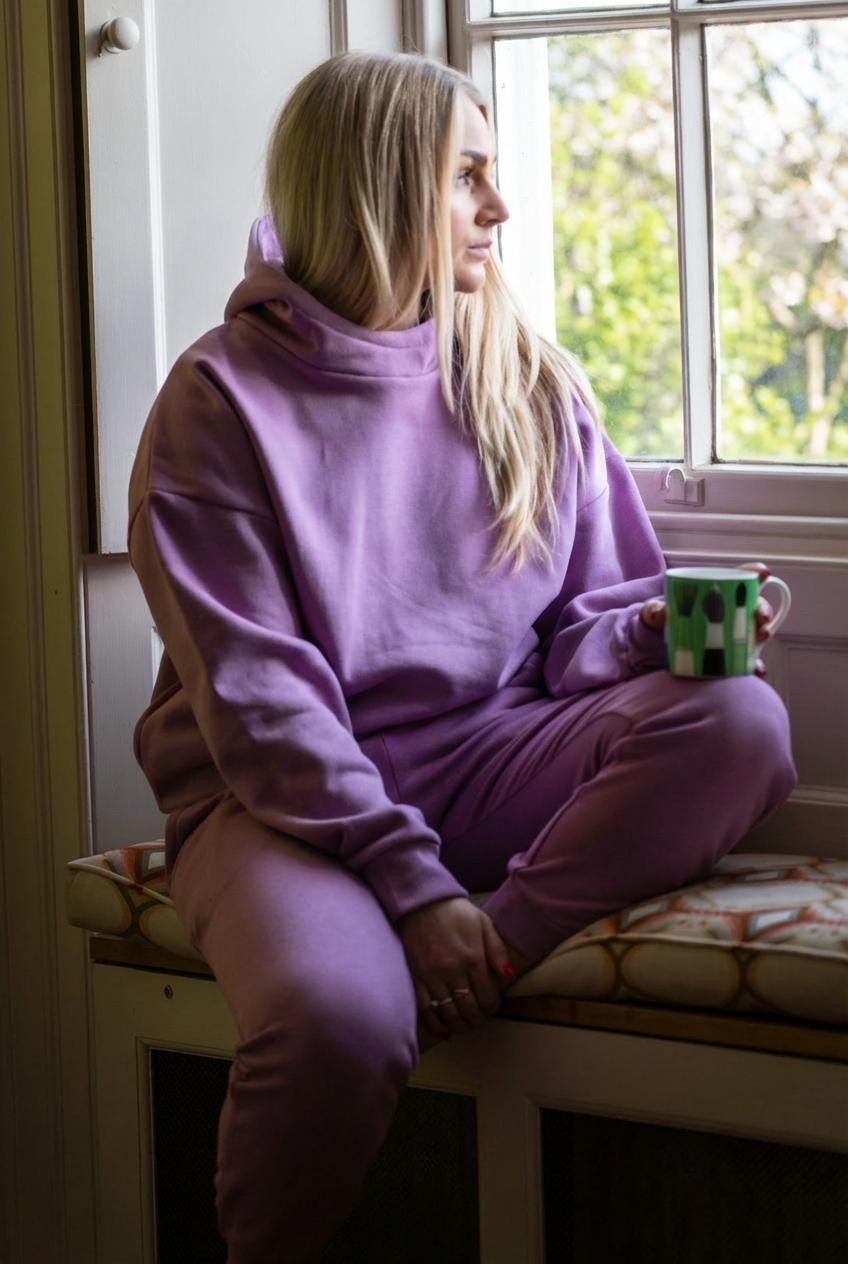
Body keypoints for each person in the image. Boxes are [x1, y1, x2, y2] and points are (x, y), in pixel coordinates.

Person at [128, 50, 796, 1264]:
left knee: (739, 719)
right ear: (380, 187)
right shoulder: (217, 399)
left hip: (486, 758)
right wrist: (410, 883)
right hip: (277, 805)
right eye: (469, 176)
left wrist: (653, 633)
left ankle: (486, 950)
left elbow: (577, 632)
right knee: (336, 1015)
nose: (499, 207)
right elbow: (259, 698)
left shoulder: (526, 378)